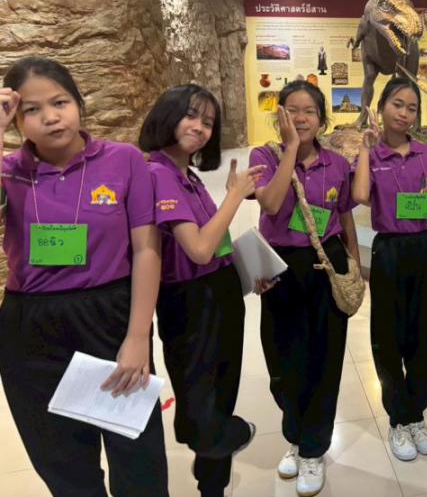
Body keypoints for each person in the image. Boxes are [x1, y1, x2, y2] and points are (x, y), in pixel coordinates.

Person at [0, 57, 169, 496]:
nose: (50, 117)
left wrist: (138, 336)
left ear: (79, 103)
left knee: (138, 459)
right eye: (31, 110)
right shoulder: (8, 170)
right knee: (64, 466)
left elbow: (146, 249)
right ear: (16, 119)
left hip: (109, 316)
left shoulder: (123, 160)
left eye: (60, 102)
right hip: (30, 327)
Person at [140, 85, 261, 497]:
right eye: (190, 116)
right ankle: (210, 445)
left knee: (221, 389)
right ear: (167, 115)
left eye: (208, 122)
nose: (200, 127)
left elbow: (217, 244)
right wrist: (234, 196)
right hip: (191, 303)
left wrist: (249, 268)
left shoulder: (186, 175)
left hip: (220, 292)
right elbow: (199, 248)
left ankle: (213, 483)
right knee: (201, 395)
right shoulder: (158, 173)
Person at [250, 80, 360, 495]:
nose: (300, 118)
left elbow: (344, 216)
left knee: (324, 359)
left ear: (322, 119)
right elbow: (271, 203)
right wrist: (291, 150)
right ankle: (295, 435)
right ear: (279, 115)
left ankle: (313, 449)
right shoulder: (264, 156)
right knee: (282, 359)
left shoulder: (337, 164)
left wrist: (354, 264)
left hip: (325, 263)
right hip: (279, 268)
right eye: (291, 110)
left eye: (309, 111)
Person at [351, 77, 427, 461]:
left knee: (423, 333)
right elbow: (360, 195)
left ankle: (416, 415)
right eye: (397, 104)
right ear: (381, 107)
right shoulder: (372, 156)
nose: (405, 113)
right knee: (387, 335)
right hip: (389, 249)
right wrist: (365, 149)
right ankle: (397, 419)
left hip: (425, 248)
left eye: (412, 108)